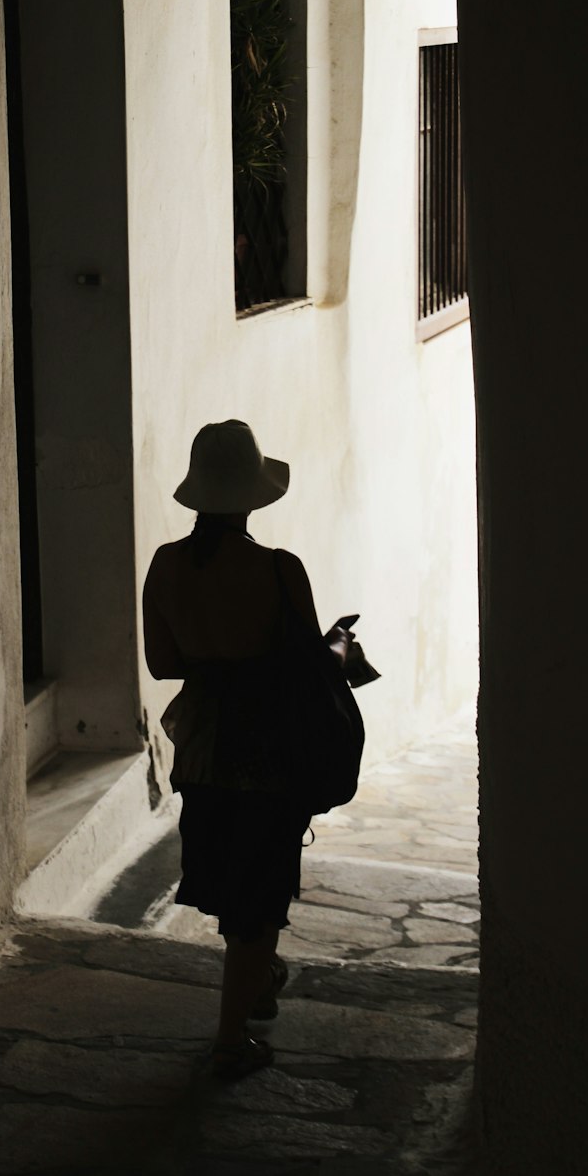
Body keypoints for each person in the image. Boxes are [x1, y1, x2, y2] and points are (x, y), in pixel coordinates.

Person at [142, 420, 351, 1079]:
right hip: (269, 749)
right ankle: (231, 1041)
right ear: (252, 497)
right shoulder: (279, 569)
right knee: (260, 896)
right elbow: (313, 663)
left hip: (202, 745)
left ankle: (255, 977)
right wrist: (343, 650)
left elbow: (163, 661)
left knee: (234, 882)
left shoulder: (168, 564)